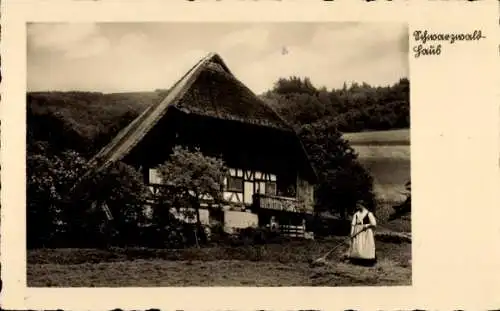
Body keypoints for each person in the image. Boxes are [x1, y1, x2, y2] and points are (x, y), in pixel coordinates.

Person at [348, 201, 377, 266]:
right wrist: (352, 233)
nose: (357, 207)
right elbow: (353, 224)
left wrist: (366, 225)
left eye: (358, 205)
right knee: (358, 245)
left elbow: (374, 224)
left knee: (365, 245)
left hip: (366, 232)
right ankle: (357, 260)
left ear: (362, 205)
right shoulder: (356, 214)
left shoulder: (369, 213)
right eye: (356, 206)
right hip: (357, 231)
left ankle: (368, 261)